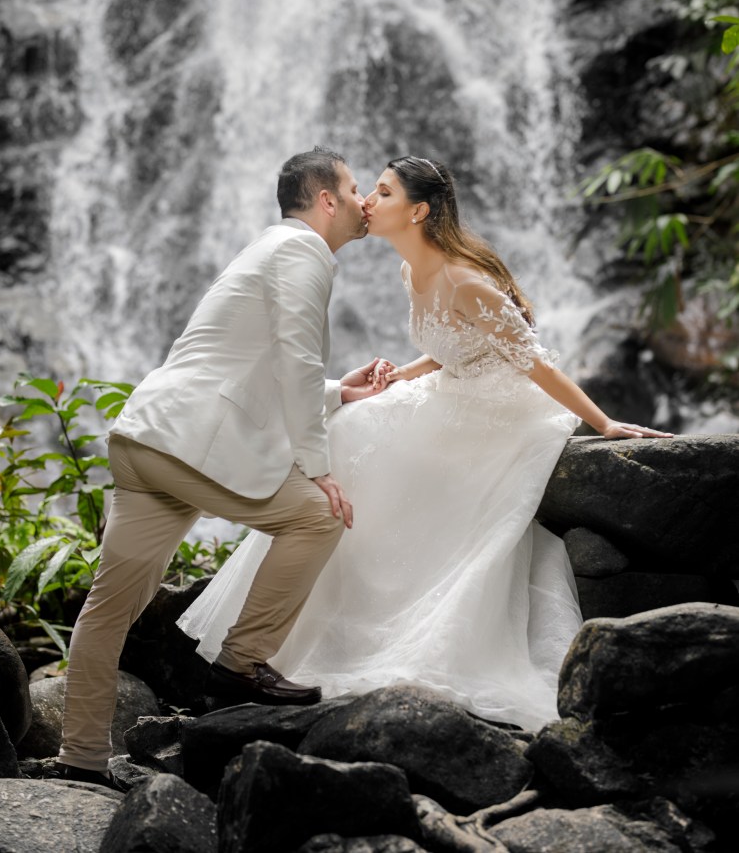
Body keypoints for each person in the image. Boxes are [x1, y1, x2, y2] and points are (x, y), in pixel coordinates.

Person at [179, 155, 672, 732]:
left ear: (417, 210)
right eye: (367, 190)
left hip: (497, 410)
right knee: (350, 427)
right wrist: (400, 377)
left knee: (357, 435)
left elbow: (534, 365)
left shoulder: (467, 280)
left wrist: (605, 424)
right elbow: (449, 348)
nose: (366, 202)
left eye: (381, 192)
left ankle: (360, 622)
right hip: (452, 389)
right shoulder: (412, 270)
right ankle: (287, 633)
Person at [51, 147, 388, 788]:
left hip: (146, 438)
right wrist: (318, 467)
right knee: (318, 516)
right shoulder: (303, 252)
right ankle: (239, 668)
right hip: (186, 446)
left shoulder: (266, 249)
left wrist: (339, 392)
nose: (362, 200)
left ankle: (80, 758)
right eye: (352, 187)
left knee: (108, 608)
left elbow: (241, 367)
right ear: (325, 200)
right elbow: (290, 357)